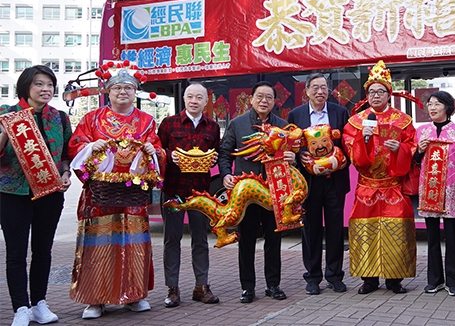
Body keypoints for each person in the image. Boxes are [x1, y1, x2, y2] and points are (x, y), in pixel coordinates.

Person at [68, 63, 166, 320]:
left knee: (134, 245)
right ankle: (95, 299)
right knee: (98, 245)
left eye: (128, 88)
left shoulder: (146, 121)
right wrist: (91, 145)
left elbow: (158, 151)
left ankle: (135, 295)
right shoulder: (92, 119)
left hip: (132, 197)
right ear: (108, 92)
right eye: (117, 88)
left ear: (136, 93)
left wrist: (153, 152)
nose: (123, 92)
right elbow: (75, 146)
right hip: (100, 197)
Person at [1, 66, 72, 326]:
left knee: (43, 250)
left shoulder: (60, 118)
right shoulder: (6, 114)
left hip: (50, 193)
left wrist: (66, 174)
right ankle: (21, 307)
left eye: (50, 85)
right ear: (26, 87)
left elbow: (66, 154)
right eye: (39, 84)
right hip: (12, 193)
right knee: (16, 252)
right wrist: (8, 131)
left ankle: (39, 303)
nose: (46, 89)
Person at [342, 60, 417, 295]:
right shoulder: (356, 122)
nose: (376, 95)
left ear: (389, 94)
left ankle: (395, 279)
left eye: (381, 91)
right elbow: (351, 154)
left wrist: (400, 149)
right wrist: (360, 140)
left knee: (397, 231)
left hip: (393, 187)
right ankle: (369, 279)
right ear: (366, 94)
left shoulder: (402, 120)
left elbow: (412, 147)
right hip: (367, 188)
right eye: (372, 91)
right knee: (366, 232)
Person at [218, 81, 296, 303]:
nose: (264, 101)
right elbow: (225, 154)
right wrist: (225, 175)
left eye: (269, 97)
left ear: (274, 101)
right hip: (248, 193)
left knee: (274, 239)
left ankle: (273, 285)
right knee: (247, 239)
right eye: (260, 96)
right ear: (251, 99)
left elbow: (294, 154)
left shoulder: (282, 126)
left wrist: (293, 158)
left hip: (275, 192)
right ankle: (248, 287)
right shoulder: (237, 124)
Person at [157, 82, 221, 307]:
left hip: (200, 193)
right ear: (184, 99)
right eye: (190, 97)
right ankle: (172, 288)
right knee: (171, 239)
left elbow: (217, 153)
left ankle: (201, 286)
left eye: (199, 97)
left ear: (206, 101)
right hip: (174, 189)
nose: (194, 101)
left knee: (200, 239)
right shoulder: (168, 124)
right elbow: (156, 152)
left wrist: (213, 159)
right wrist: (168, 155)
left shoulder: (212, 127)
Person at [287, 73, 350, 295]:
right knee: (310, 230)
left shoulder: (340, 113)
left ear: (328, 90)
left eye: (324, 87)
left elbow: (349, 144)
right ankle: (312, 277)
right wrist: (300, 156)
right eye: (315, 88)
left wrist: (342, 161)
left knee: (335, 230)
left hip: (335, 182)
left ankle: (334, 275)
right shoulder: (295, 115)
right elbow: (290, 148)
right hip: (308, 183)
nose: (320, 91)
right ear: (307, 91)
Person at [413, 91, 455, 296]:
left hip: (452, 191)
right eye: (429, 104)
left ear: (447, 107)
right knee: (431, 238)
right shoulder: (421, 131)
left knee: (451, 237)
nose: (432, 108)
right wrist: (418, 151)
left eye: (437, 104)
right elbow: (414, 162)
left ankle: (453, 281)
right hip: (429, 190)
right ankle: (434, 280)